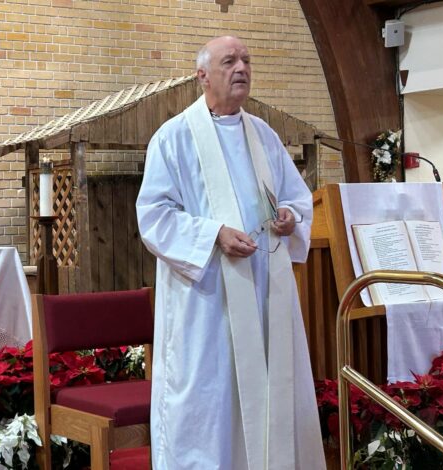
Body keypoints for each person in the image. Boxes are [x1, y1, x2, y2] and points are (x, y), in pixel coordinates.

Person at [136, 35, 325, 469]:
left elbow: (296, 198)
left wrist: (290, 218)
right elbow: (154, 216)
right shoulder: (174, 138)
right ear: (202, 75)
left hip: (264, 293)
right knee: (213, 402)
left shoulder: (264, 135)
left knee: (270, 392)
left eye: (246, 60)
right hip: (207, 302)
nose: (241, 67)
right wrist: (213, 234)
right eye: (229, 61)